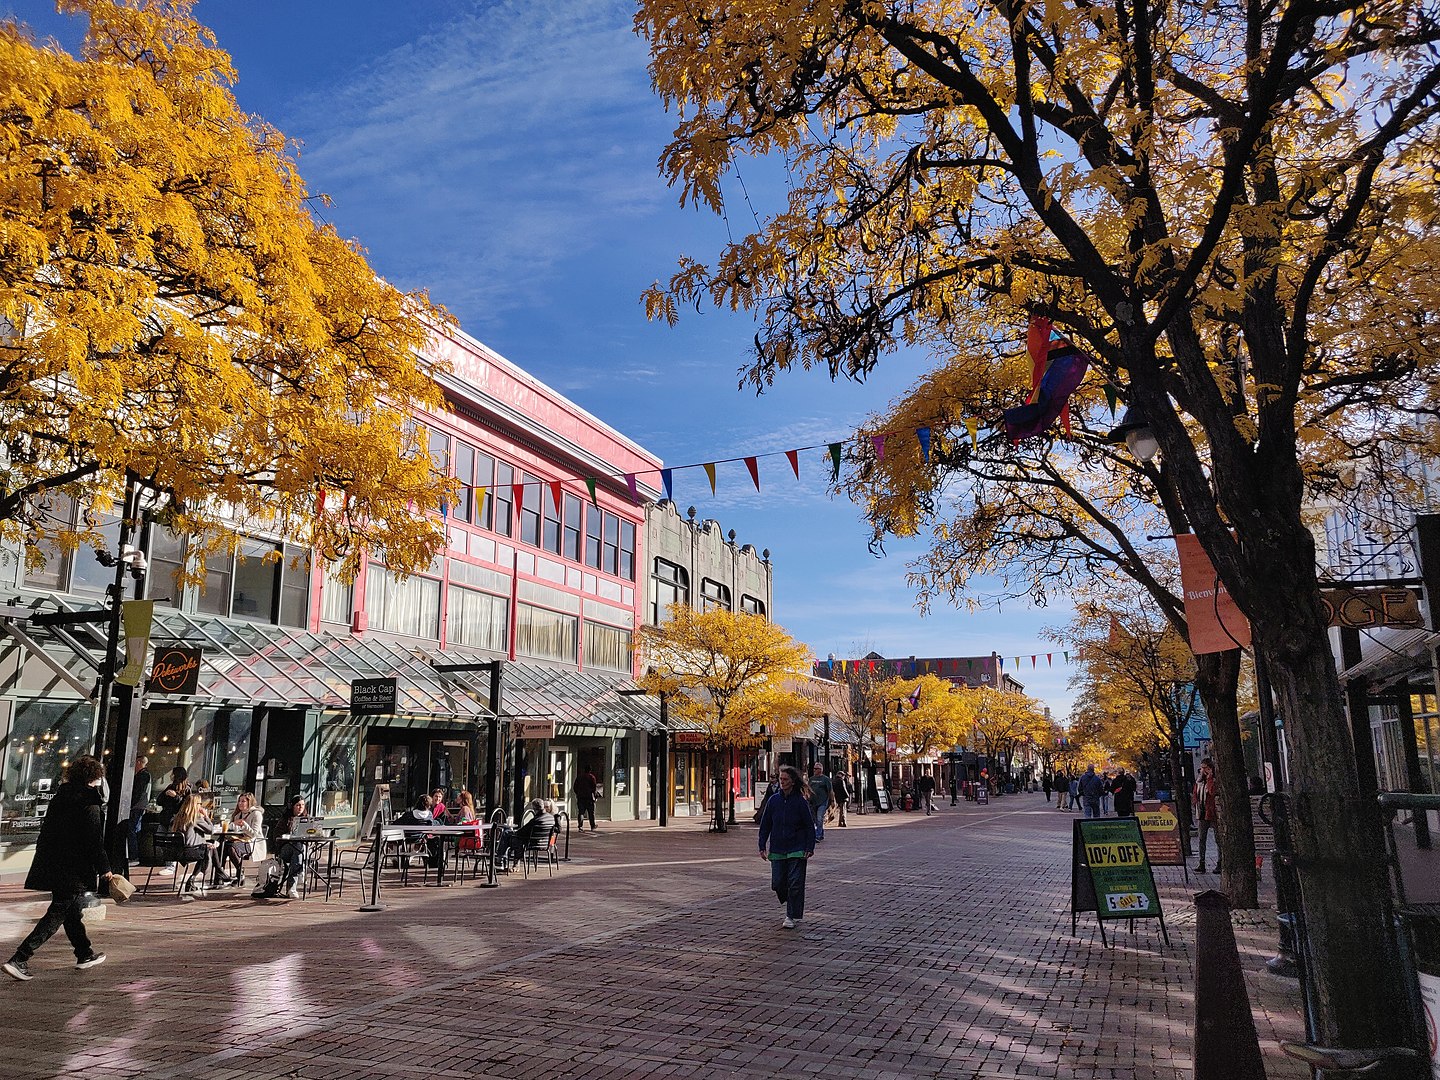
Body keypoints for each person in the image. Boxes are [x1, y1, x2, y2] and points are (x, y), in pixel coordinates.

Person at [4, 756, 114, 980]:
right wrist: (105, 868)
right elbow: (94, 841)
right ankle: (20, 958)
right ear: (95, 778)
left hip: (53, 863)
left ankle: (84, 953)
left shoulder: (60, 798)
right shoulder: (89, 804)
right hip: (74, 868)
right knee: (59, 912)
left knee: (71, 912)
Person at [757, 765, 816, 929]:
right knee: (777, 883)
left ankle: (791, 915)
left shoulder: (800, 801)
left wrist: (809, 846)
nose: (782, 782)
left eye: (785, 780)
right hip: (777, 848)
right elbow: (765, 824)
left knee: (795, 882)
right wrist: (762, 844)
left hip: (797, 847)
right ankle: (790, 899)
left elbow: (809, 826)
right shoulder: (773, 800)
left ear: (792, 782)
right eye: (781, 779)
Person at [261, 795, 308, 899]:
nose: (300, 808)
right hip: (285, 849)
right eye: (298, 805)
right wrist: (287, 836)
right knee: (298, 849)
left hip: (300, 851)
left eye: (302, 805)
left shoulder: (307, 819)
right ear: (292, 806)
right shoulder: (285, 819)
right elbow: (276, 836)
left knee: (299, 851)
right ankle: (300, 873)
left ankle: (292, 888)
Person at [171, 792, 214, 899]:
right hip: (189, 852)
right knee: (208, 850)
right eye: (200, 803)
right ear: (195, 805)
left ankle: (220, 874)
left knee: (207, 847)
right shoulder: (195, 818)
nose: (201, 806)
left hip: (176, 852)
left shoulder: (178, 817)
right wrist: (206, 816)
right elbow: (211, 830)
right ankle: (193, 878)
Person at [218, 792, 263, 887]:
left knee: (231, 848)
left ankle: (240, 872)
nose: (240, 803)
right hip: (238, 840)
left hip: (251, 842)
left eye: (243, 801)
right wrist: (233, 824)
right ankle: (219, 875)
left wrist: (244, 825)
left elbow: (254, 834)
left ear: (249, 802)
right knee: (222, 845)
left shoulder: (256, 814)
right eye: (239, 801)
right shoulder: (238, 815)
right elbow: (231, 828)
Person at [1193, 758, 1221, 872]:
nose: (1203, 770)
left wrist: (1210, 778)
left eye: (1205, 768)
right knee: (1201, 839)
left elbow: (1212, 792)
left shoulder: (1213, 780)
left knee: (1218, 839)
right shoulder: (1199, 781)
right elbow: (1195, 793)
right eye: (1202, 768)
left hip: (1212, 813)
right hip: (1201, 812)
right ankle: (1202, 862)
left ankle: (1220, 862)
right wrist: (1195, 803)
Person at [508, 798, 556, 864]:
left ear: (534, 808)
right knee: (512, 837)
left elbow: (522, 831)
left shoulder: (536, 820)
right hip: (545, 843)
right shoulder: (551, 818)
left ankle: (501, 859)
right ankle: (504, 860)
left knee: (508, 835)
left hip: (532, 843)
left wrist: (514, 832)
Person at [128, 754, 152, 861]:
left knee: (132, 830)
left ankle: (133, 855)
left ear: (139, 762)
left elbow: (138, 792)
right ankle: (134, 855)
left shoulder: (142, 776)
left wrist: (131, 804)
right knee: (135, 829)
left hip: (137, 806)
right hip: (139, 806)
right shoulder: (145, 775)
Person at [808, 763, 833, 841]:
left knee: (819, 818)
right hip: (813, 802)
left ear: (821, 770)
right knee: (815, 819)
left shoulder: (825, 779)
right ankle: (821, 833)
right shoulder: (811, 779)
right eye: (814, 768)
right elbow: (808, 790)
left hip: (823, 801)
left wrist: (832, 801)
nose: (814, 770)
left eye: (816, 769)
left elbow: (830, 791)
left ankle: (817, 835)